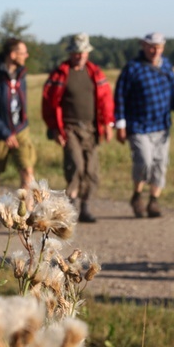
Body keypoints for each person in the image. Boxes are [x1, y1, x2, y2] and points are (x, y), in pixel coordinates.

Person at [114, 32, 174, 218]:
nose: (155, 51)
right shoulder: (132, 68)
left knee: (160, 164)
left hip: (162, 126)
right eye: (151, 46)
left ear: (163, 48)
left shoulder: (166, 66)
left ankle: (153, 202)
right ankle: (137, 195)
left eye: (159, 47)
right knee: (144, 160)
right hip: (138, 126)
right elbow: (120, 96)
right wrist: (120, 124)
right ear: (143, 46)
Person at [42, 33, 114, 223]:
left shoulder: (94, 72)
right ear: (71, 53)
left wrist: (108, 123)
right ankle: (71, 205)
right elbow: (49, 103)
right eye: (76, 52)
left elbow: (106, 99)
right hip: (69, 128)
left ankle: (86, 206)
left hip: (91, 128)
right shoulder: (61, 73)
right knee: (76, 165)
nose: (80, 56)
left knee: (91, 169)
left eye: (83, 52)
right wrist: (55, 129)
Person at [0, 37, 36, 221]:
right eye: (23, 52)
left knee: (27, 171)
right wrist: (4, 133)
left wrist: (20, 127)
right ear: (13, 55)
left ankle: (25, 214)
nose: (26, 55)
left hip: (21, 130)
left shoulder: (21, 75)